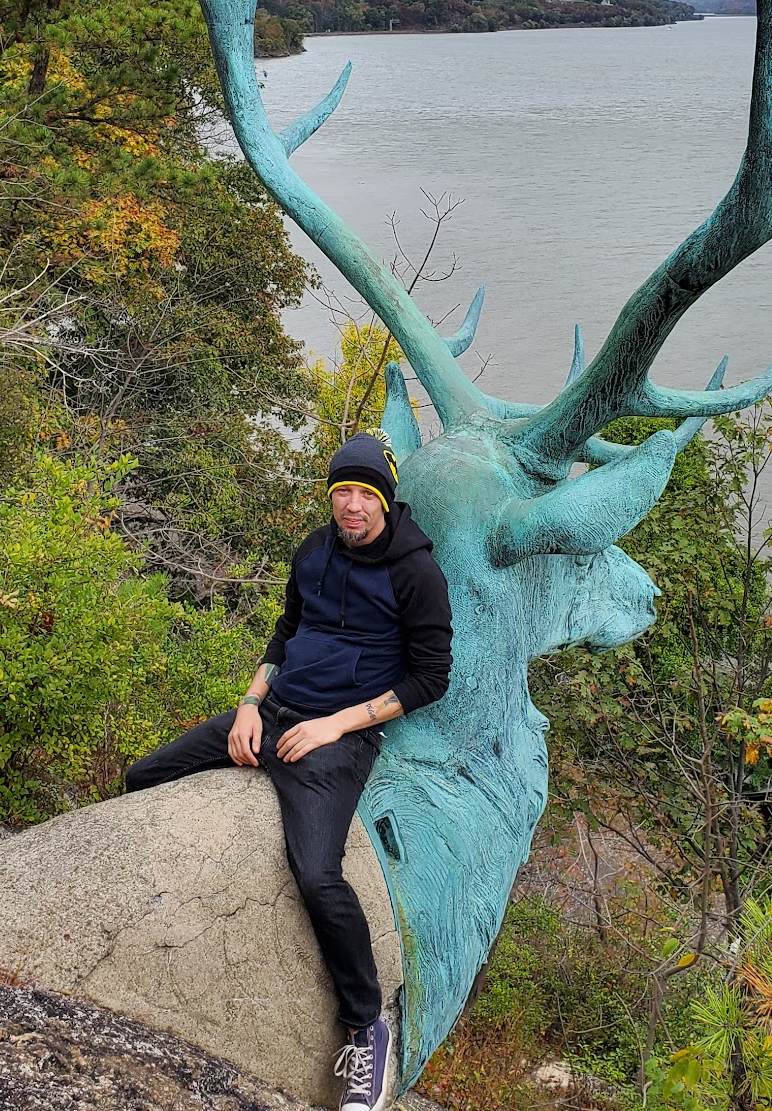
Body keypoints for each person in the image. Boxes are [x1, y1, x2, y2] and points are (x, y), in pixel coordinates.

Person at [123, 432, 451, 1111]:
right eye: (342, 493)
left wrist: (337, 725)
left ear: (385, 498)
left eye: (364, 494)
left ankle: (366, 1029)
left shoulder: (415, 574)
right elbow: (286, 630)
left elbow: (431, 678)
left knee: (316, 874)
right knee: (143, 776)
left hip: (336, 738)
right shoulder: (315, 549)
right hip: (272, 714)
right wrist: (250, 703)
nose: (352, 507)